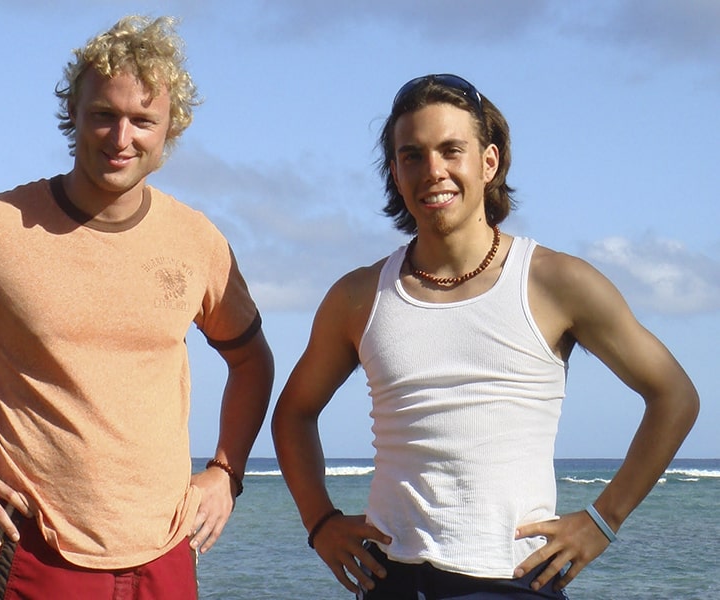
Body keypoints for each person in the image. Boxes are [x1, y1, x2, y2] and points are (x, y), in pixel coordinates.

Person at [0, 15, 273, 600]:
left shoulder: (199, 242)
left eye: (143, 120)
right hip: (35, 551)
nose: (121, 138)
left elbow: (252, 362)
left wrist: (226, 472)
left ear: (170, 129)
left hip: (165, 550)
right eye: (103, 115)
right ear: (73, 113)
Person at [271, 73, 698, 598]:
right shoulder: (359, 296)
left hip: (514, 578)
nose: (434, 171)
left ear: (488, 162)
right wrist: (320, 523)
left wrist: (603, 520)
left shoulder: (555, 282)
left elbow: (674, 395)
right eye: (413, 155)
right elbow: (293, 412)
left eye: (452, 150)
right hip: (391, 577)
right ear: (395, 172)